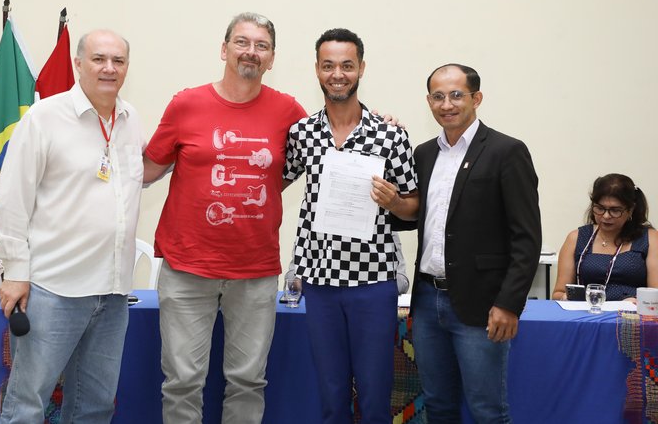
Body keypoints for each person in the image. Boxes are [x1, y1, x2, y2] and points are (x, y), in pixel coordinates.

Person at [142, 12, 307, 424]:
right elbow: (146, 170)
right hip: (187, 266)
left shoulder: (288, 111)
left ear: (271, 58)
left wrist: (379, 124)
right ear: (224, 49)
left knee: (248, 381)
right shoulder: (186, 104)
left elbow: (327, 148)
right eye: (242, 42)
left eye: (261, 45)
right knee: (182, 382)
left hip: (255, 270)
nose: (251, 51)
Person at [0, 29, 145, 423]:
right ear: (78, 64)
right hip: (53, 289)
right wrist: (15, 272)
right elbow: (12, 198)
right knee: (28, 403)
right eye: (99, 59)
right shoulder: (44, 118)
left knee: (95, 406)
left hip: (113, 293)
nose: (109, 68)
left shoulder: (130, 120)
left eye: (118, 61)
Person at [282, 28, 418, 424]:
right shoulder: (302, 133)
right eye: (328, 66)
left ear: (361, 68)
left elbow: (414, 207)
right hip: (318, 279)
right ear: (317, 70)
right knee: (331, 393)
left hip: (373, 280)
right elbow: (273, 183)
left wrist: (394, 202)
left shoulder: (390, 135)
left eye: (346, 65)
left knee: (375, 395)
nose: (337, 74)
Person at [411, 63, 541, 423]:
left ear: (476, 98)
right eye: (438, 96)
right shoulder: (424, 154)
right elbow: (415, 217)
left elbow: (527, 238)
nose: (447, 104)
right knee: (438, 406)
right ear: (429, 101)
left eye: (456, 95)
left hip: (482, 305)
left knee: (487, 411)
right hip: (427, 302)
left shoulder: (506, 151)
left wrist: (509, 304)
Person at [552, 173, 657, 301]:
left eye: (615, 210)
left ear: (630, 209)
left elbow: (655, 294)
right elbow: (558, 293)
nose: (606, 216)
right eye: (600, 208)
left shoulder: (649, 239)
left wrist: (636, 301)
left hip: (630, 312)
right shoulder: (576, 238)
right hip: (585, 311)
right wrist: (566, 297)